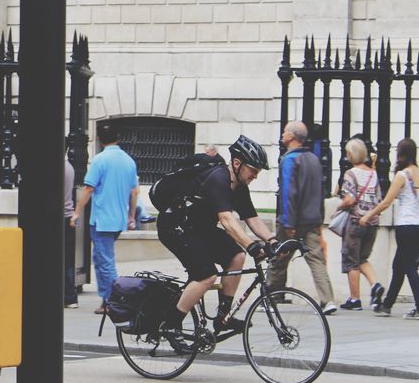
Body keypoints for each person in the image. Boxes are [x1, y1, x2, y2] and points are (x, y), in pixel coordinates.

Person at [156, 135, 277, 335]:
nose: (255, 176)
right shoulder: (218, 178)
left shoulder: (239, 187)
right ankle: (170, 325)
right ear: (237, 164)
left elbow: (252, 218)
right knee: (206, 276)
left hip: (200, 229)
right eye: (253, 170)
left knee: (237, 257)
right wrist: (252, 245)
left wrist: (272, 240)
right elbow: (227, 221)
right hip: (176, 228)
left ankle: (223, 317)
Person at [268, 120, 337, 314]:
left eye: (284, 133)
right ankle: (327, 299)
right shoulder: (314, 159)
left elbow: (289, 191)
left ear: (292, 136)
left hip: (293, 219)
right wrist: (319, 218)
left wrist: (289, 221)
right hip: (312, 219)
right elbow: (320, 191)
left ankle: (272, 295)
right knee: (316, 259)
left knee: (279, 257)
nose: (282, 136)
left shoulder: (289, 160)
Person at [70, 122, 139, 314]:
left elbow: (89, 188)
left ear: (99, 139)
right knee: (100, 259)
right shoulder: (128, 161)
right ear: (118, 137)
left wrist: (76, 212)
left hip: (102, 219)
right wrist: (131, 216)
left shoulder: (100, 160)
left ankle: (113, 300)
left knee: (106, 261)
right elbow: (134, 192)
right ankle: (106, 298)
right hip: (118, 219)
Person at [362, 138, 419, 319]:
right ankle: (387, 305)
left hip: (405, 225)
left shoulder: (402, 175)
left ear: (401, 153)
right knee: (399, 265)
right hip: (418, 226)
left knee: (408, 266)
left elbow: (386, 201)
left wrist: (369, 215)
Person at [333, 136, 384, 310]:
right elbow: (378, 199)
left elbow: (349, 199)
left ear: (350, 154)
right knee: (363, 258)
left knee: (351, 260)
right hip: (372, 221)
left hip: (355, 221)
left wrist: (337, 208)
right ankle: (375, 284)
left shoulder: (350, 173)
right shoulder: (373, 174)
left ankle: (354, 299)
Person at [64, 144, 79, 308]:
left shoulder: (57, 167)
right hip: (68, 215)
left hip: (60, 217)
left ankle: (68, 295)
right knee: (68, 260)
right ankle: (70, 296)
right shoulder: (69, 167)